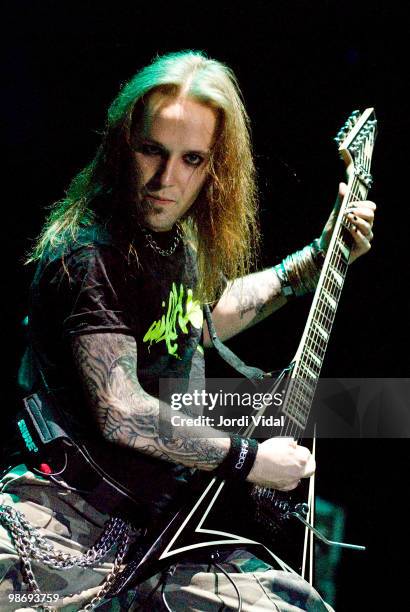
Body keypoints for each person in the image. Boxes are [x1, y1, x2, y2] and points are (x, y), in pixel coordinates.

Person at [0, 50, 375, 611]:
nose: (165, 179)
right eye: (151, 150)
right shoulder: (87, 254)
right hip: (62, 525)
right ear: (121, 143)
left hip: (164, 534)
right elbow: (122, 409)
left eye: (191, 159)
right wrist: (252, 460)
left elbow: (198, 320)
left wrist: (314, 261)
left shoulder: (177, 242)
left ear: (214, 166)